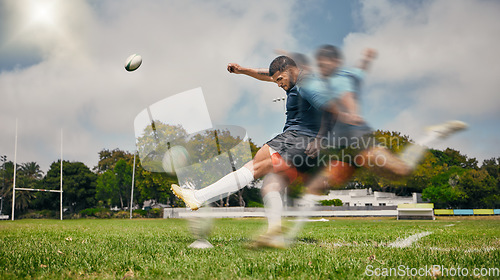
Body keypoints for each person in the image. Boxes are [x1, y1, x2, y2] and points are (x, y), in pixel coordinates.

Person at [171, 56, 340, 212]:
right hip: (303, 146)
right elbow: (266, 74)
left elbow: (332, 109)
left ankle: (198, 197)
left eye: (280, 80)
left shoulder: (306, 84)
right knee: (271, 185)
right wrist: (242, 70)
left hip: (297, 139)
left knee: (254, 166)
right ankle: (275, 235)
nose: (279, 85)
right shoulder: (295, 78)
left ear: (290, 70)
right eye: (276, 82)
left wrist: (319, 141)